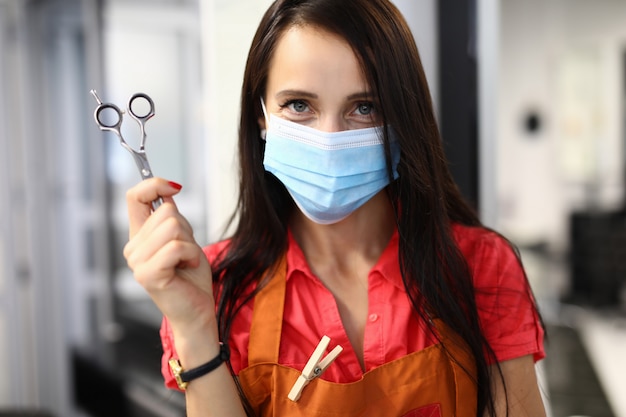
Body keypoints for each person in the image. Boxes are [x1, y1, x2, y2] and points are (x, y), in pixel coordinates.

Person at [123, 0, 547, 416]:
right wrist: (196, 328)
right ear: (262, 117)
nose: (329, 139)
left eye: (365, 107)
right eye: (299, 105)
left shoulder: (481, 264)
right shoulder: (217, 285)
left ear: (403, 117)